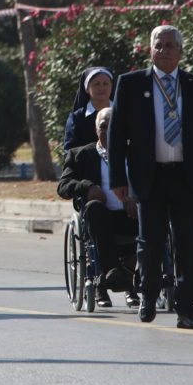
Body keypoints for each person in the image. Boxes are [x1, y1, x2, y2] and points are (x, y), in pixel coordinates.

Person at [108, 25, 193, 329]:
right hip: (150, 176)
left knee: (187, 244)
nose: (165, 50)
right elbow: (117, 134)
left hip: (186, 176)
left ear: (181, 50)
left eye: (171, 45)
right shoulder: (131, 84)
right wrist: (118, 178)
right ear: (151, 49)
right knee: (151, 240)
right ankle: (147, 295)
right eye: (159, 45)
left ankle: (186, 308)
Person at [57, 107, 140, 308]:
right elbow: (63, 186)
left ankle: (131, 280)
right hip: (101, 219)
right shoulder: (81, 155)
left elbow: (153, 181)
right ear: (96, 130)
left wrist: (136, 198)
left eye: (114, 126)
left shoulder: (137, 153)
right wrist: (88, 187)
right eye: (103, 126)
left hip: (132, 215)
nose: (108, 130)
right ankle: (110, 272)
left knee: (153, 213)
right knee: (93, 208)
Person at [63, 67, 113, 152]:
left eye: (106, 84)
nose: (101, 88)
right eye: (96, 84)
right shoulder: (77, 118)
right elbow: (70, 151)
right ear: (86, 88)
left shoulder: (122, 113)